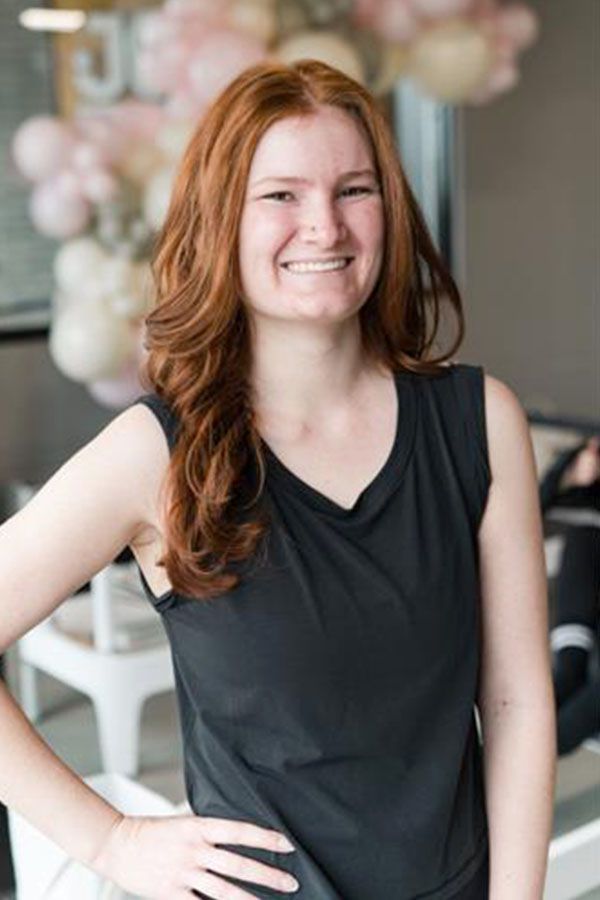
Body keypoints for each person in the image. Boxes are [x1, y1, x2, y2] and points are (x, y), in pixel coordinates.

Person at [0, 59, 556, 899]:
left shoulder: (480, 422)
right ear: (223, 219)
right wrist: (111, 840)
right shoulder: (156, 455)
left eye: (355, 190)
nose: (325, 227)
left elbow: (514, 702)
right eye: (282, 195)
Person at [540, 436, 600, 755]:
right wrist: (572, 474)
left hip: (575, 633)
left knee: (571, 670)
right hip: (574, 631)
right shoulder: (561, 508)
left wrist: (572, 463)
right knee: (571, 669)